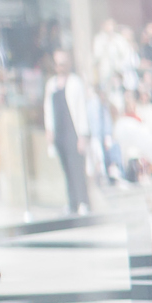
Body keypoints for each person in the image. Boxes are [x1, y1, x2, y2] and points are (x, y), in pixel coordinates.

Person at [42, 49, 93, 215]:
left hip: (73, 131)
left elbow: (81, 110)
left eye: (62, 64)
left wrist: (83, 135)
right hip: (59, 132)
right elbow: (48, 109)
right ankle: (72, 202)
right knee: (66, 169)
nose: (60, 67)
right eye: (57, 64)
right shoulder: (51, 84)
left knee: (77, 167)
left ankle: (83, 202)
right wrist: (49, 129)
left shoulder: (75, 83)